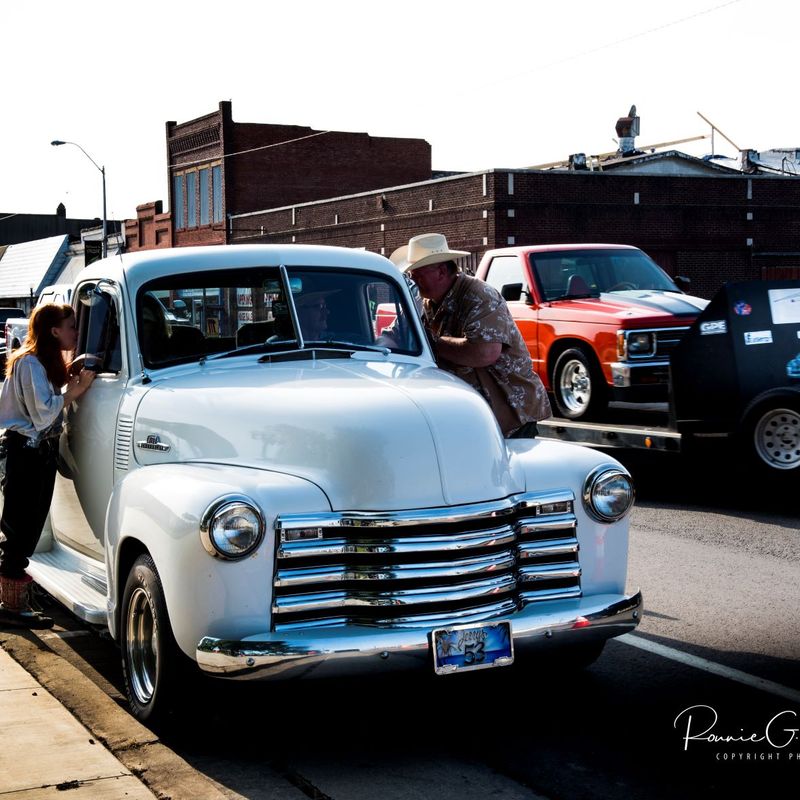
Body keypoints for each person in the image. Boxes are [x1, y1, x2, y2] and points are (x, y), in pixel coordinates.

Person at [390, 233, 551, 437]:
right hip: (472, 415)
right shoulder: (426, 303)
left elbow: (484, 352)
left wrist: (429, 343)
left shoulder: (479, 296)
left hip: (508, 414)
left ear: (441, 271)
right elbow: (396, 335)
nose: (413, 279)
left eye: (418, 273)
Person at [0, 303, 96, 629]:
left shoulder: (41, 363)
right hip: (27, 452)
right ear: (54, 331)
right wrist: (76, 389)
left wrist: (66, 382)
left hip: (36, 453)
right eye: (71, 326)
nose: (76, 332)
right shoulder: (28, 362)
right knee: (20, 527)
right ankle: (11, 607)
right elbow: (43, 413)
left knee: (28, 525)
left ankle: (14, 604)